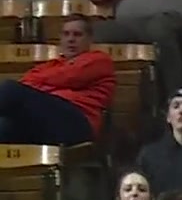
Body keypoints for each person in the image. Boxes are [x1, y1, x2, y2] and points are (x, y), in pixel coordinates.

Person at [0, 14, 114, 145]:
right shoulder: (51, 65)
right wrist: (52, 83)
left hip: (78, 122)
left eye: (77, 35)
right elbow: (26, 82)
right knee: (5, 125)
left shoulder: (99, 60)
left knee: (10, 89)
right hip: (46, 121)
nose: (71, 39)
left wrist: (44, 85)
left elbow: (70, 77)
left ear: (89, 39)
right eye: (66, 34)